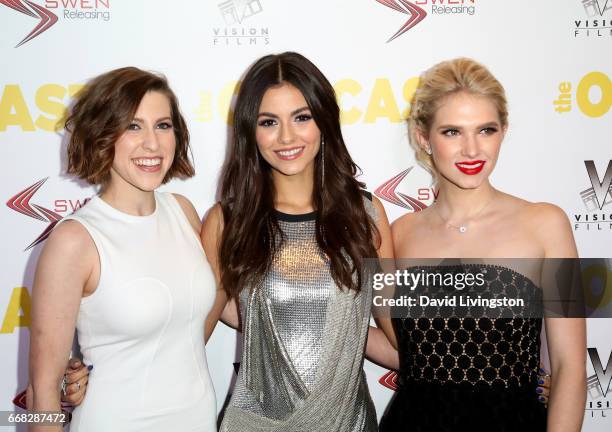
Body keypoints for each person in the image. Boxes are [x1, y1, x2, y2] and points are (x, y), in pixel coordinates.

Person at [377, 58, 586, 431]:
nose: (472, 150)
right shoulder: (398, 234)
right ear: (424, 138)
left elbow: (570, 367)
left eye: (485, 130)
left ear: (504, 130)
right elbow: (401, 350)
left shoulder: (547, 225)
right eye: (452, 132)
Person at [199, 51, 394, 432]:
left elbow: (396, 330)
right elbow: (190, 334)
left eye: (302, 117)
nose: (287, 137)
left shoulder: (366, 214)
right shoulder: (227, 221)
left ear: (324, 121)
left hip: (347, 424)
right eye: (268, 122)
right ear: (249, 131)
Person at [28, 67, 218, 431]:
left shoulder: (183, 212)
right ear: (102, 134)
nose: (152, 143)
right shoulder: (75, 241)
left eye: (163, 125)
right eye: (133, 126)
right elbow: (42, 393)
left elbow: (225, 305)